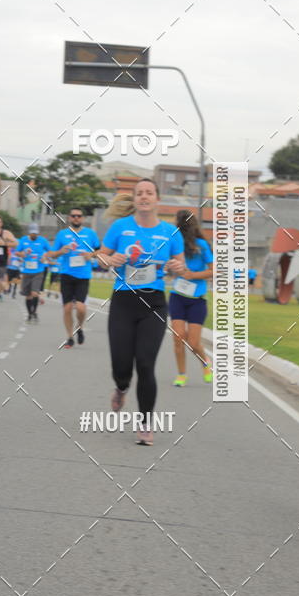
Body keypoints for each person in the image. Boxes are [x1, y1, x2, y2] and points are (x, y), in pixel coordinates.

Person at [98, 179, 184, 446]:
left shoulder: (171, 232)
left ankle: (146, 423)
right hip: (124, 301)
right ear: (134, 199)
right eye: (140, 193)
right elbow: (101, 255)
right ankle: (121, 388)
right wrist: (109, 260)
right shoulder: (120, 227)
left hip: (154, 303)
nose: (144, 197)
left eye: (149, 192)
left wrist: (175, 267)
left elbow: (179, 264)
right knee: (121, 365)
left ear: (157, 198)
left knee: (146, 364)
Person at [168, 210, 214, 386]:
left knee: (193, 342)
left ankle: (205, 363)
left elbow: (213, 270)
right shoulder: (174, 243)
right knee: (178, 337)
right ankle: (181, 374)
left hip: (197, 299)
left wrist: (193, 275)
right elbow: (169, 264)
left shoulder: (201, 245)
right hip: (177, 296)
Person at [48, 208, 100, 348]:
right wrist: (60, 251)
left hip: (83, 275)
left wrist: (91, 255)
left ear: (82, 218)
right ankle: (70, 337)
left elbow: (100, 251)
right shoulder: (62, 234)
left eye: (79, 216)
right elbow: (51, 254)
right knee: (67, 308)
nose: (76, 218)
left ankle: (80, 328)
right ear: (69, 218)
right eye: (73, 216)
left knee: (81, 308)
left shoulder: (90, 234)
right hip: (66, 275)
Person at [17, 222, 51, 322]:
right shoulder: (23, 240)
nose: (34, 235)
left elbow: (50, 251)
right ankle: (29, 314)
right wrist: (22, 254)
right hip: (26, 271)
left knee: (35, 293)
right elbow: (17, 252)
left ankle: (34, 311)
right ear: (29, 232)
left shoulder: (43, 241)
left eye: (36, 233)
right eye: (32, 233)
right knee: (28, 295)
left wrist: (45, 256)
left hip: (38, 271)